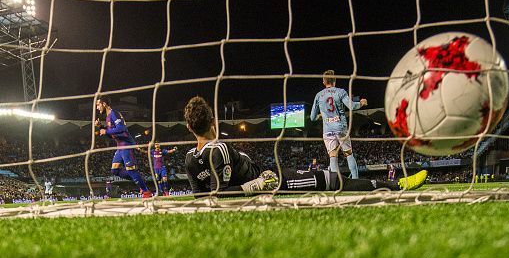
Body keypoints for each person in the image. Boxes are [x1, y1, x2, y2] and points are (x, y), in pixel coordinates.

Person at [183, 95, 427, 196]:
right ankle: (396, 185)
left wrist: (249, 185)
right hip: (274, 181)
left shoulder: (189, 158)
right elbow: (218, 194)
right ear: (213, 121)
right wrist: (253, 186)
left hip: (266, 179)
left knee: (332, 177)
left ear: (189, 128)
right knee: (331, 180)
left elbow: (200, 197)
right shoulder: (219, 149)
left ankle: (391, 184)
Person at [310, 70, 367, 179]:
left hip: (327, 130)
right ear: (335, 80)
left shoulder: (318, 95)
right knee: (349, 154)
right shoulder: (340, 92)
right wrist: (361, 103)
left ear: (323, 82)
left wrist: (319, 116)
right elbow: (352, 106)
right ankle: (355, 180)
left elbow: (312, 117)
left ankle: (335, 183)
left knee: (333, 156)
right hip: (340, 127)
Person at [96, 95, 152, 198]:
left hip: (126, 144)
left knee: (130, 169)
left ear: (104, 104)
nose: (97, 107)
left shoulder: (114, 113)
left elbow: (122, 128)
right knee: (115, 170)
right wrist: (101, 127)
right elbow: (112, 135)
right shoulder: (108, 116)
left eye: (98, 105)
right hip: (120, 146)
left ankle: (146, 192)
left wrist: (106, 130)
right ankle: (139, 180)